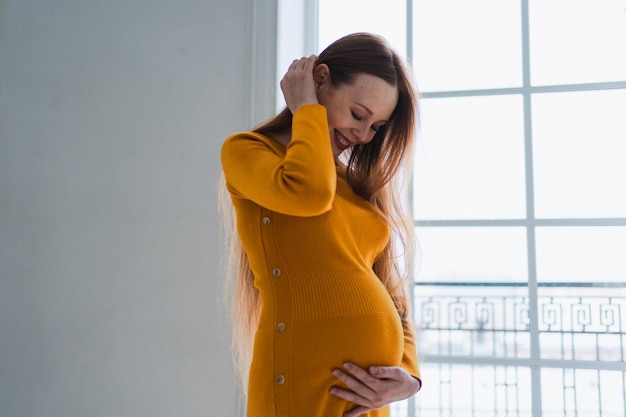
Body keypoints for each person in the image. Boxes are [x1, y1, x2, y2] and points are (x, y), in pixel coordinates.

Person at [220, 32, 421, 417]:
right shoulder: (247, 151)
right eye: (358, 114)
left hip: (369, 401)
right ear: (320, 81)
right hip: (299, 387)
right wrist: (306, 110)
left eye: (376, 127)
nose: (362, 135)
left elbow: (392, 295)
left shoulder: (354, 183)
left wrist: (408, 377)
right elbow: (308, 195)